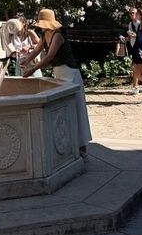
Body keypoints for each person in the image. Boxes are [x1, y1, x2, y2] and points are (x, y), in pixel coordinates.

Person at [22, 9, 91, 157]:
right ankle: (68, 143)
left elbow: (49, 56)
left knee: (76, 108)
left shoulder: (58, 35)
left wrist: (32, 69)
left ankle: (82, 146)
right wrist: (26, 60)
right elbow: (38, 50)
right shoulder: (43, 34)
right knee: (64, 110)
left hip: (70, 73)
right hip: (59, 73)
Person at [121, 7, 141, 95]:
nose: (132, 15)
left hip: (141, 48)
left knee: (136, 68)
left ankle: (137, 87)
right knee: (136, 68)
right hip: (134, 47)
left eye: (134, 13)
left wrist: (135, 36)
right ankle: (136, 86)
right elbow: (130, 36)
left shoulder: (141, 24)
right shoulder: (130, 24)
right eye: (130, 13)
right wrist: (126, 39)